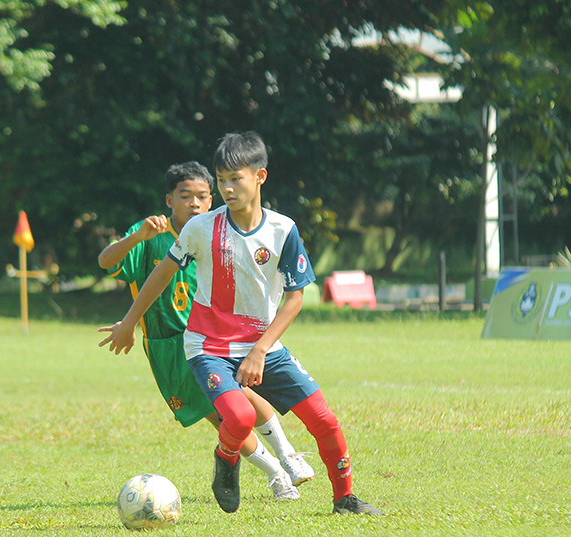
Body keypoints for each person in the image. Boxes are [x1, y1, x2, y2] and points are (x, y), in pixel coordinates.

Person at [100, 133, 380, 515]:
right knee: (240, 415)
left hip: (261, 345)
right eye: (222, 179)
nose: (227, 188)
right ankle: (226, 459)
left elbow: (295, 298)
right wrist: (129, 322)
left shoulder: (283, 230)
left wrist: (261, 350)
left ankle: (345, 499)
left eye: (236, 178)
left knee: (325, 421)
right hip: (207, 346)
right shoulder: (200, 229)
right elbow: (161, 274)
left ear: (260, 176)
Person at [97, 161, 314, 501]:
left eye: (201, 196)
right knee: (221, 413)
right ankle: (280, 469)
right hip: (167, 344)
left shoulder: (217, 230)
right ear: (169, 200)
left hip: (211, 340)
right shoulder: (151, 232)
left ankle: (284, 465)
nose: (194, 204)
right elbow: (106, 261)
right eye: (185, 196)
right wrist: (138, 238)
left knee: (236, 403)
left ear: (210, 200)